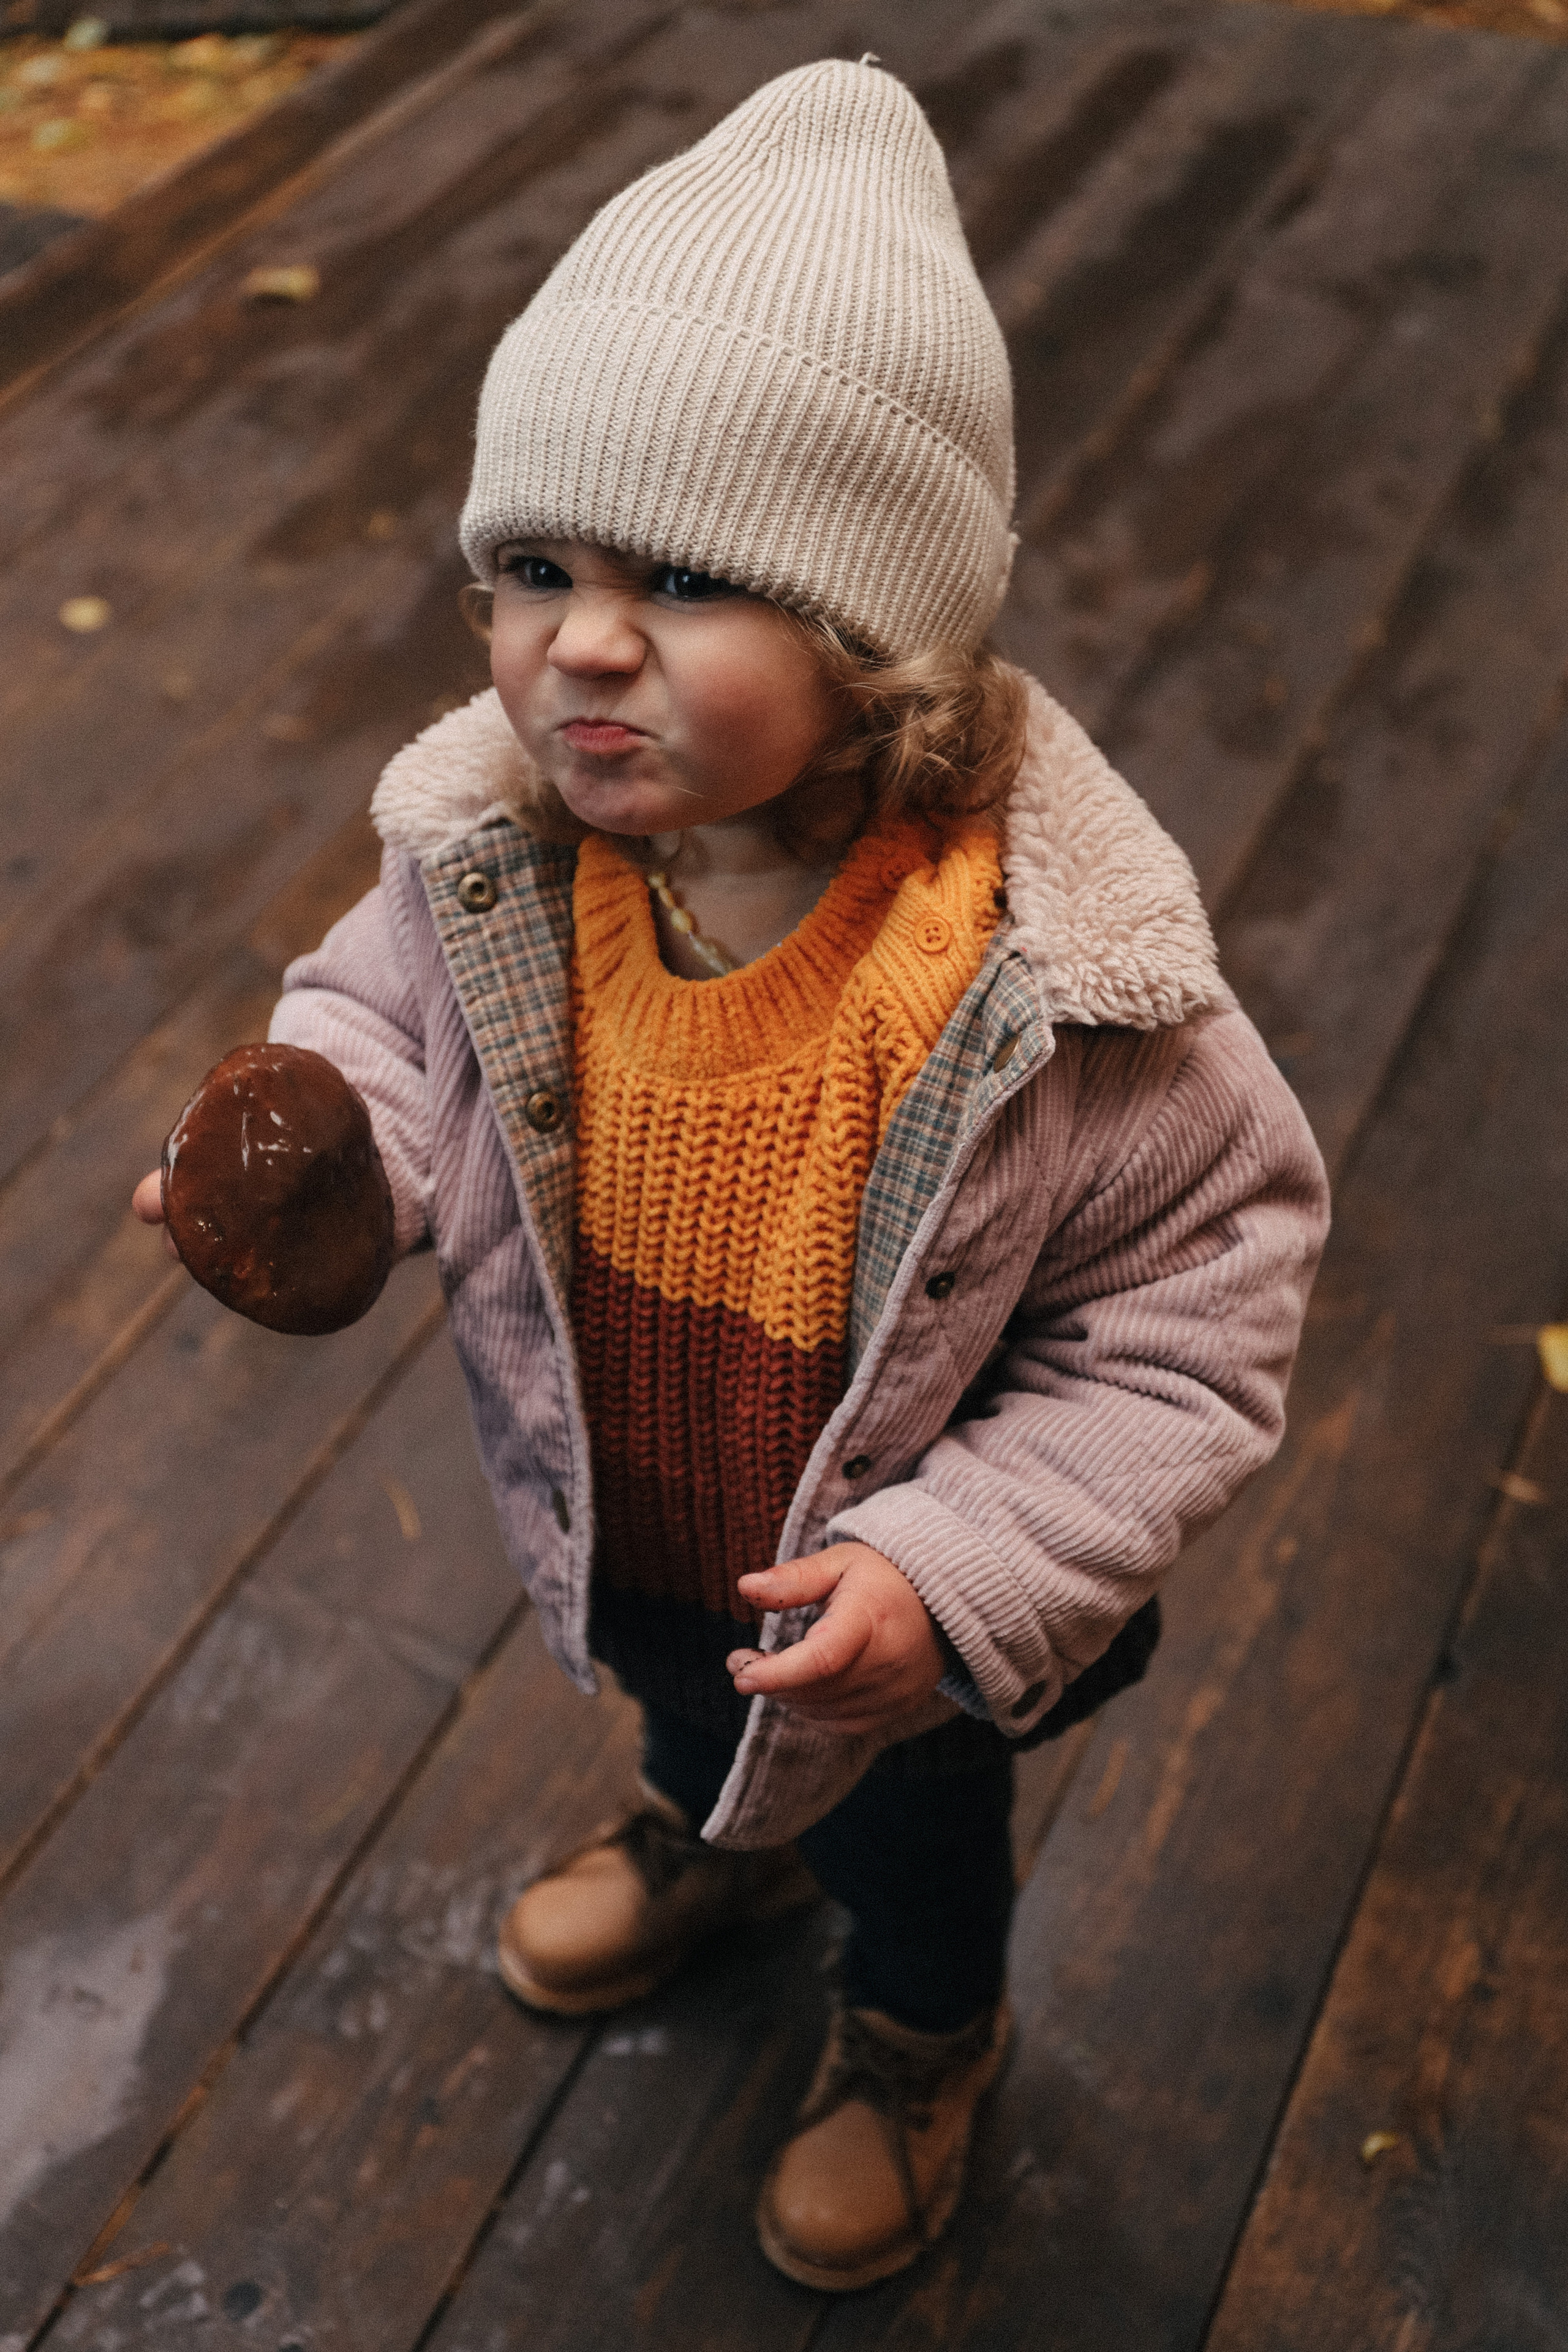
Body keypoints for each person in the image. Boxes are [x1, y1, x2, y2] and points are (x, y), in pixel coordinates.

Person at [134, 58, 1329, 2291]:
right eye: (537, 566)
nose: (581, 641)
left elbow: (1199, 1310)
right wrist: (328, 1147)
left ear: (881, 640)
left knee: (914, 1830)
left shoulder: (1040, 984)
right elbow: (381, 1021)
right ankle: (711, 1839)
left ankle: (912, 2031)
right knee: (693, 1701)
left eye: (685, 579)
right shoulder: (501, 860)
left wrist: (959, 1572)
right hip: (648, 1505)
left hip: (883, 1598)